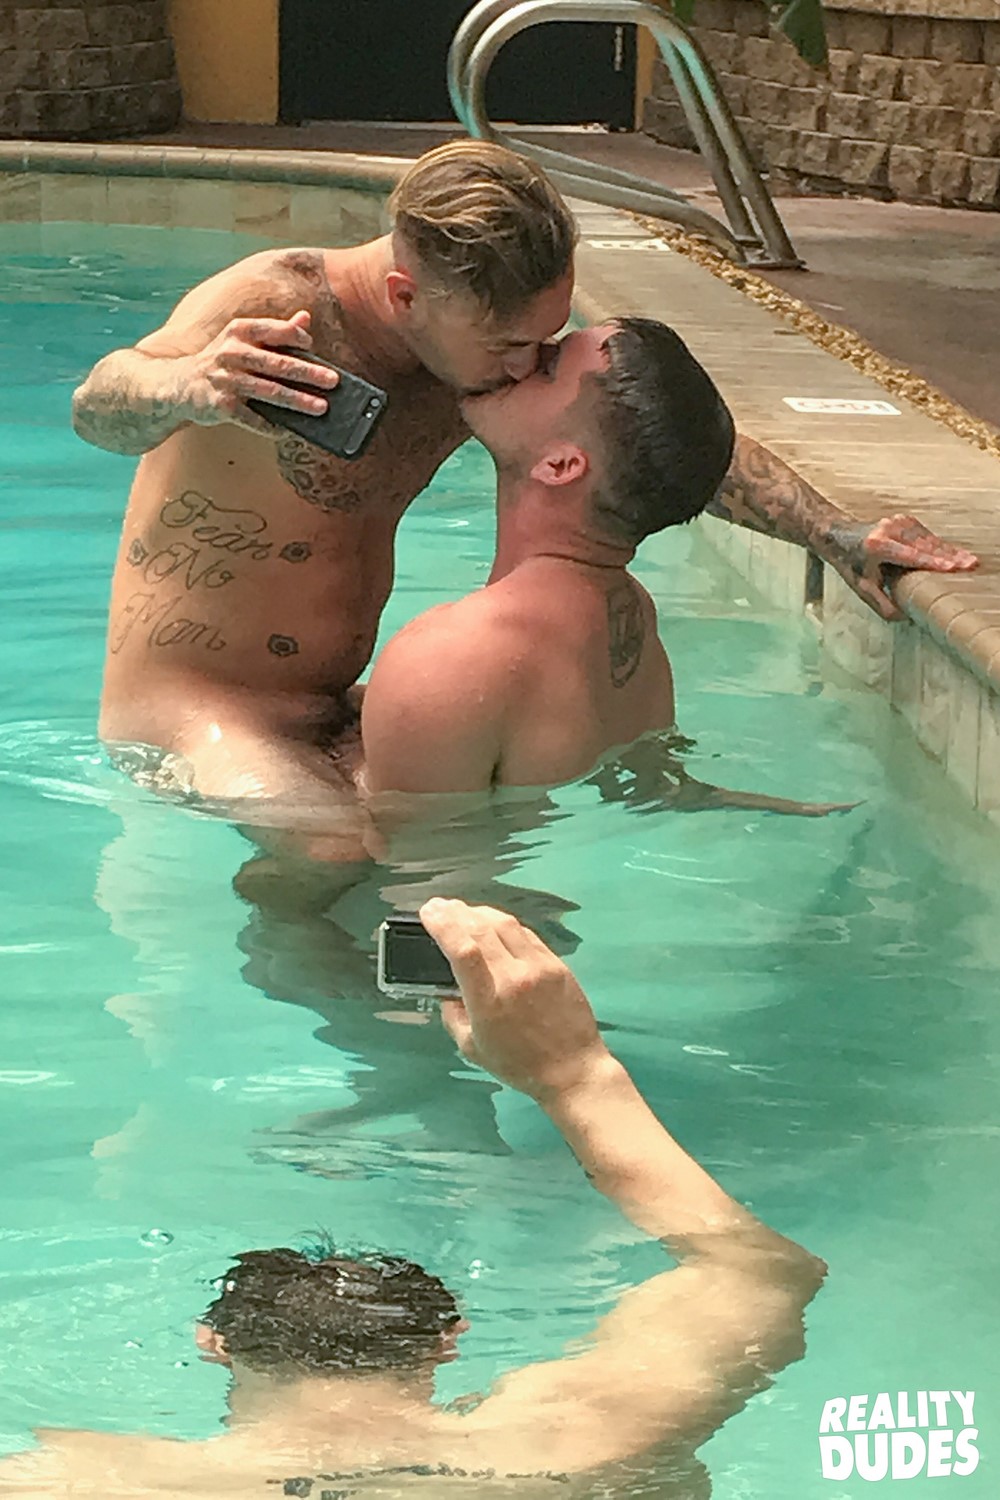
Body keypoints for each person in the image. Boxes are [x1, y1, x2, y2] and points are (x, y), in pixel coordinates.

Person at [73, 138, 977, 813]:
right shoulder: (274, 312)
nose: (526, 368)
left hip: (334, 699)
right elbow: (96, 405)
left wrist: (830, 532)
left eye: (543, 346)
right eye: (511, 348)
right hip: (206, 704)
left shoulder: (477, 350)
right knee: (334, 847)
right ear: (405, 298)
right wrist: (187, 385)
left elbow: (625, 438)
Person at [0, 900, 826, 1496]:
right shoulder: (583, 1440)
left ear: (212, 1343)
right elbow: (758, 1272)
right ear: (448, 1342)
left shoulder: (80, 1481)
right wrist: (573, 1073)